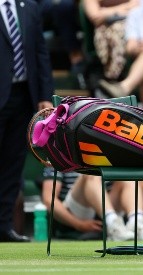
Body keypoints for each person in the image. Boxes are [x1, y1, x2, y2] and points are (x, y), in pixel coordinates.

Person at [0, 0, 54, 242]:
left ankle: (4, 226)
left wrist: (44, 95)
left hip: (24, 96)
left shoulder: (29, 7)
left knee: (13, 165)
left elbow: (40, 51)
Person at [41, 169, 143, 240]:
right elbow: (48, 199)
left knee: (128, 174)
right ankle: (113, 224)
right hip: (77, 211)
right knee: (91, 172)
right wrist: (78, 224)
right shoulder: (59, 149)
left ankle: (136, 222)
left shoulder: (109, 144)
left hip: (108, 205)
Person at [83, 0, 140, 81]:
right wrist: (124, 8)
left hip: (136, 27)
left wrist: (106, 12)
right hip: (105, 29)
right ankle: (112, 77)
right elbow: (95, 17)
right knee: (115, 32)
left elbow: (139, 7)